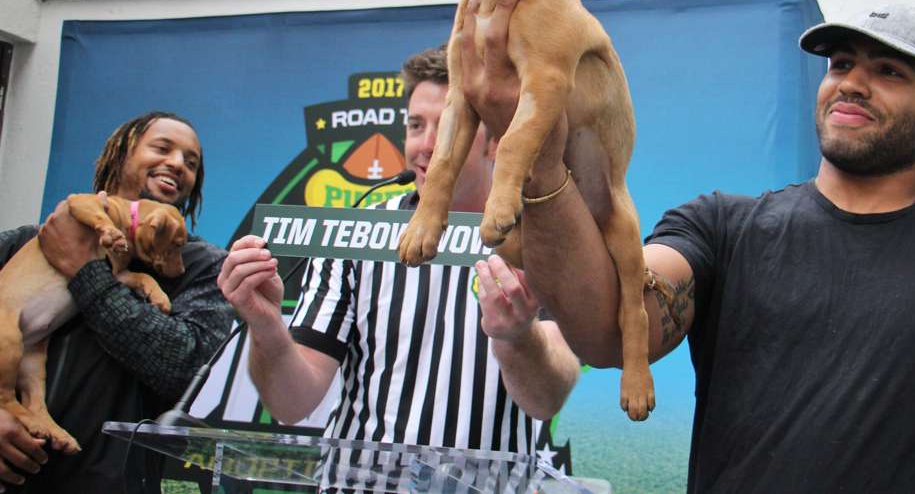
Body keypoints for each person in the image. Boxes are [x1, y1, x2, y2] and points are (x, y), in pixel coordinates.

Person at [457, 0, 915, 493]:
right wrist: (536, 155)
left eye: (889, 71)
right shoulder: (723, 230)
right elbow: (605, 333)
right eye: (840, 65)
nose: (851, 83)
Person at [218, 46, 578, 485]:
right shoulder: (358, 234)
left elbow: (547, 398)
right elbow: (291, 404)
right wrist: (267, 326)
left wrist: (517, 336)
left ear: (497, 138)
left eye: (449, 125)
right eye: (414, 125)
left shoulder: (540, 236)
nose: (426, 146)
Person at [0, 111, 233, 493]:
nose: (177, 163)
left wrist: (84, 271)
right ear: (120, 154)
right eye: (162, 148)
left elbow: (185, 368)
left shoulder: (201, 267)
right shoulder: (28, 243)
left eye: (191, 163)